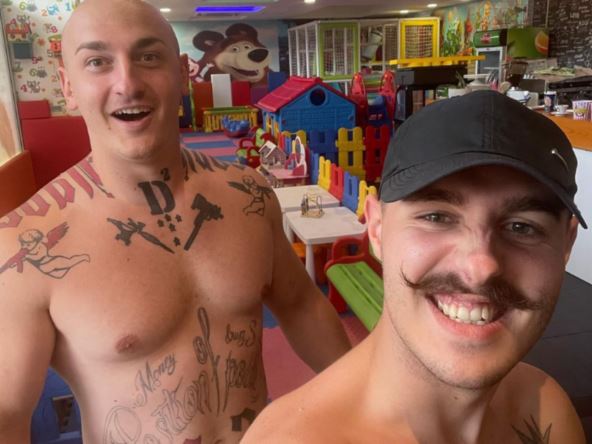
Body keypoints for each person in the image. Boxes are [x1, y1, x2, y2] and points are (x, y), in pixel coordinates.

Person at [0, 1, 351, 442]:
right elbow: (7, 415)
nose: (128, 83)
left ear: (182, 73)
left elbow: (301, 306)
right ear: (69, 87)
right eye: (98, 62)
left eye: (148, 57)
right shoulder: (24, 247)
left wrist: (365, 406)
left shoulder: (249, 196)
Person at [243, 90, 588, 444]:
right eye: (436, 217)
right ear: (377, 229)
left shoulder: (545, 409)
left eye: (522, 227)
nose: (481, 266)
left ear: (566, 244)